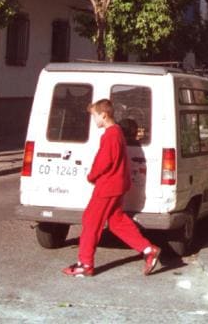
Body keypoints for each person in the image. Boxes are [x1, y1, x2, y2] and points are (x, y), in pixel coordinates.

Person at [62, 98, 161, 278]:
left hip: (107, 186)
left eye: (95, 116)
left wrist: (92, 175)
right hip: (117, 185)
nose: (94, 120)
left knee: (91, 221)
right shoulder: (117, 133)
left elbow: (104, 161)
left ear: (104, 115)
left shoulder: (110, 135)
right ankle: (148, 249)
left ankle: (85, 264)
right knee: (117, 222)